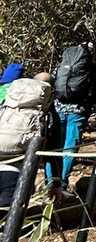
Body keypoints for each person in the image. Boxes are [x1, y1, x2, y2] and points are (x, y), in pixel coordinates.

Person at [45, 38, 96, 193]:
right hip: (78, 110)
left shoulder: (62, 65)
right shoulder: (93, 68)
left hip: (57, 109)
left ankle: (50, 182)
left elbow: (53, 83)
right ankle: (62, 183)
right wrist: (92, 110)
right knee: (70, 147)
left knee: (54, 147)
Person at [0, 73, 54, 211]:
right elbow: (52, 152)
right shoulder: (46, 114)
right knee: (8, 215)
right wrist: (55, 183)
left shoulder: (7, 104)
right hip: (16, 172)